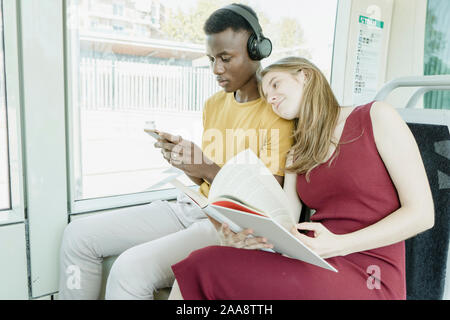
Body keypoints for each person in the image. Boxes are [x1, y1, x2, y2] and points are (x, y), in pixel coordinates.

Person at [58, 4, 293, 300]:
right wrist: (187, 163)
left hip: (227, 221)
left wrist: (205, 166)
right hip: (191, 206)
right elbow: (205, 181)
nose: (216, 69)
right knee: (77, 237)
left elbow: (268, 204)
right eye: (210, 59)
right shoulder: (214, 104)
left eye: (225, 58)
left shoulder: (277, 111)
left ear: (256, 50)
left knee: (128, 270)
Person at [168, 56, 435, 300]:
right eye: (266, 94)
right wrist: (245, 239)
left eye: (275, 84)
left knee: (203, 267)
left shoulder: (377, 116)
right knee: (203, 262)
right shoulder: (296, 154)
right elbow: (285, 225)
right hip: (315, 261)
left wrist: (340, 245)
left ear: (304, 75)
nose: (270, 97)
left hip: (372, 276)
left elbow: (422, 214)